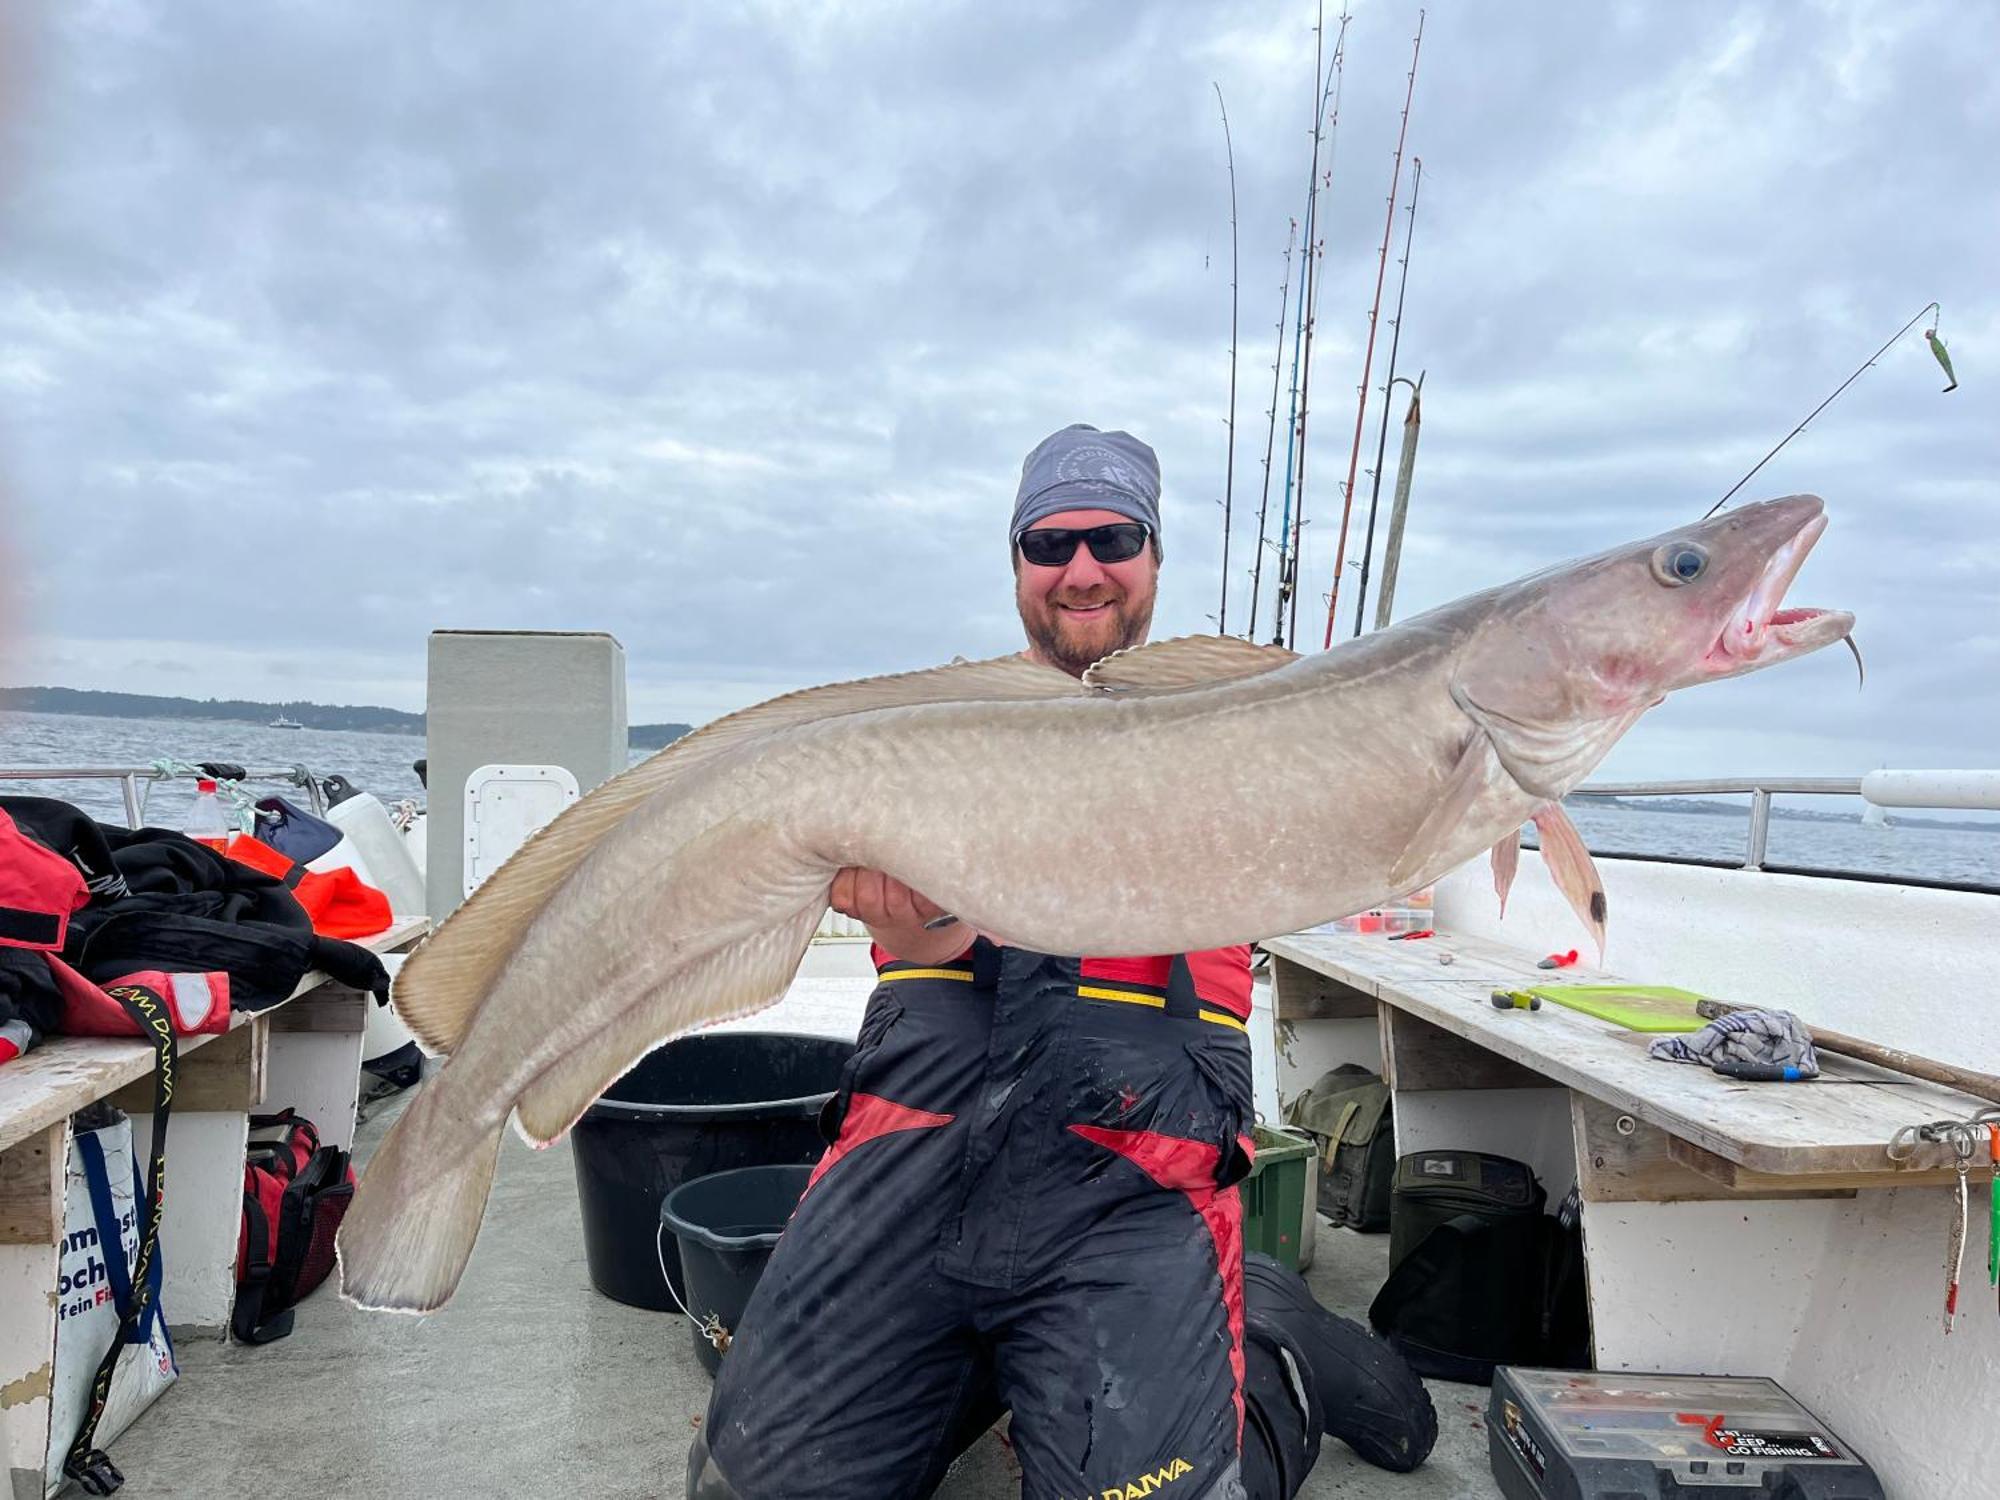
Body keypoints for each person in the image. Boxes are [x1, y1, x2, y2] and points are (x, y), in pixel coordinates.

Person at [688, 425, 1433, 1499]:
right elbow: (931, 935)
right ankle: (979, 1369)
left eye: (1112, 538)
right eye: (1048, 543)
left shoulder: (1235, 724)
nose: (1080, 569)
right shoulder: (936, 728)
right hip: (922, 1140)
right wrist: (911, 927)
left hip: (1131, 1166)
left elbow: (1375, 805)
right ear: (1018, 565)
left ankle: (1265, 1349)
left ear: (1153, 559)